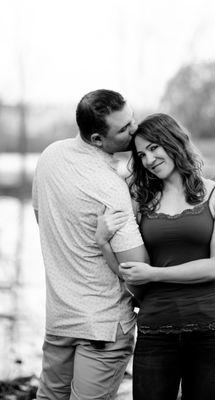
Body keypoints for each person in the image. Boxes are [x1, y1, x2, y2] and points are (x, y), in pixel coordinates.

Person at [96, 113, 215, 400]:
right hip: (156, 330)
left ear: (173, 142)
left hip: (212, 330)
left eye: (153, 148)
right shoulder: (140, 201)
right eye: (141, 154)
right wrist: (102, 242)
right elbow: (130, 273)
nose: (148, 159)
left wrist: (156, 274)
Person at [32, 89, 149, 400]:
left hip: (60, 317)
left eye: (132, 119)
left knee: (49, 397)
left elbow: (42, 219)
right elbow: (137, 269)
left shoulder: (49, 156)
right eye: (124, 128)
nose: (135, 129)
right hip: (104, 325)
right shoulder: (111, 188)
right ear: (98, 139)